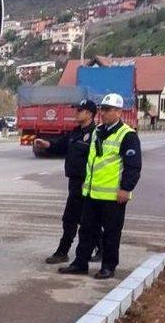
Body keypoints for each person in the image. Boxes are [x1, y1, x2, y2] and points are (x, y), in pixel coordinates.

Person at [59, 93, 141, 279]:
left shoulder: (127, 135)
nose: (103, 113)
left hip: (113, 196)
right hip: (92, 193)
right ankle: (80, 263)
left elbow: (133, 165)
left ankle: (108, 266)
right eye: (102, 109)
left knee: (111, 233)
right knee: (87, 230)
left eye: (108, 109)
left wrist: (126, 188)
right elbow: (91, 160)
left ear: (119, 112)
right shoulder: (98, 131)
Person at [34, 100, 102, 265]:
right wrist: (47, 144)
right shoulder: (75, 132)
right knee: (75, 218)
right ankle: (98, 248)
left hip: (88, 183)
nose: (76, 112)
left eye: (80, 110)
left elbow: (101, 160)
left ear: (89, 114)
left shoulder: (96, 134)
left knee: (80, 219)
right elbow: (61, 146)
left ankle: (64, 251)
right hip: (74, 182)